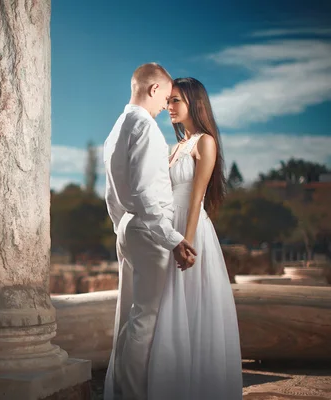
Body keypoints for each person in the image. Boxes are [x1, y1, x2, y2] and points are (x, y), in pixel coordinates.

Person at [103, 63, 197, 400]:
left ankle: (120, 391)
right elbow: (146, 193)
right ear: (154, 89)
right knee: (145, 318)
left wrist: (122, 227)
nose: (165, 107)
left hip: (128, 227)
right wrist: (173, 240)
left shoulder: (117, 127)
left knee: (131, 315)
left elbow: (112, 193)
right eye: (166, 98)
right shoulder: (145, 127)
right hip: (148, 230)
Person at [146, 77, 243, 399]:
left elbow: (197, 196)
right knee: (168, 305)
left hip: (190, 229)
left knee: (189, 303)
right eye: (168, 100)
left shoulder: (205, 142)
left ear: (195, 104)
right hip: (170, 230)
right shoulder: (175, 147)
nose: (169, 106)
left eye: (176, 101)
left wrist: (185, 243)